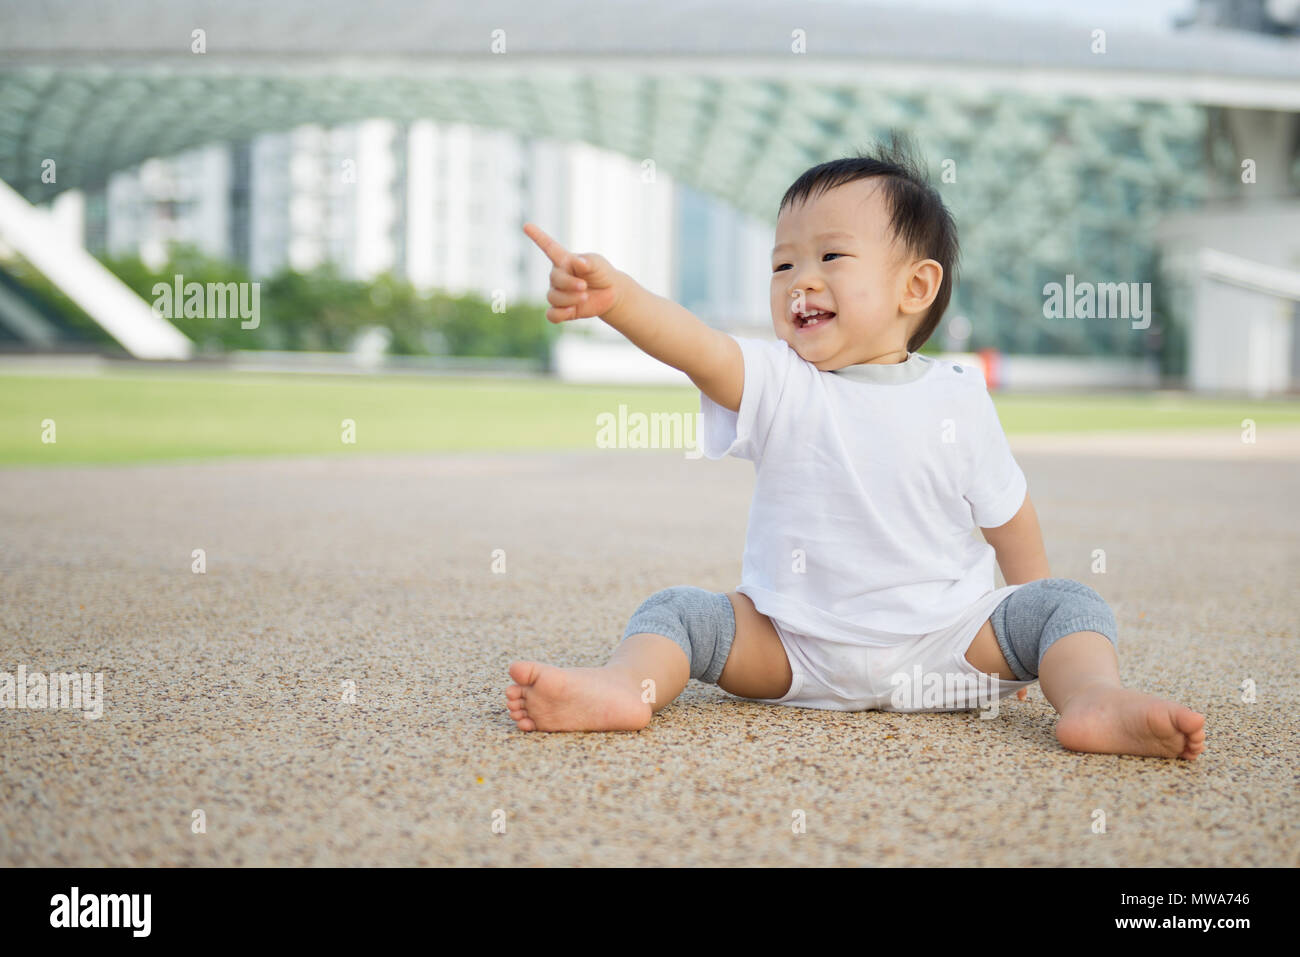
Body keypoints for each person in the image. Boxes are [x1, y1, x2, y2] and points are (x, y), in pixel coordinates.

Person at [506, 135, 1206, 759]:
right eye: (783, 266)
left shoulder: (959, 397)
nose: (800, 281)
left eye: (830, 256)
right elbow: (699, 348)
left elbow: (1009, 518)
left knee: (1064, 604)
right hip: (792, 646)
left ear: (916, 285)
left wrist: (1022, 630)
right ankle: (627, 685)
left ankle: (1088, 697)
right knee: (682, 612)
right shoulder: (783, 381)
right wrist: (620, 297)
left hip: (947, 647)